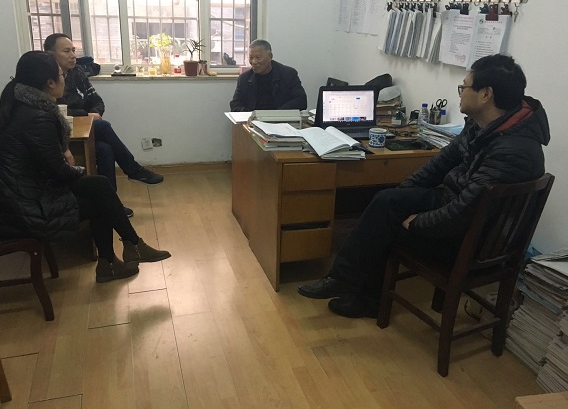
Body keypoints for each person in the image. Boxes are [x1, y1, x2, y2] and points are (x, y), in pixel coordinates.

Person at [298, 54, 550, 318]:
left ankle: (361, 294)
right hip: (456, 207)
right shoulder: (484, 126)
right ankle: (347, 281)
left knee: (385, 223)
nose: (460, 94)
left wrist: (417, 222)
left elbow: (465, 214)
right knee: (386, 201)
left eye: (464, 87)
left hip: (473, 241)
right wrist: (402, 193)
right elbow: (439, 164)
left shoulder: (512, 150)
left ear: (486, 94)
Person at [0, 51, 171, 283]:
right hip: (23, 208)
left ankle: (122, 254)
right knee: (99, 193)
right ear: (50, 83)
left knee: (99, 186)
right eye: (61, 75)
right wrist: (78, 168)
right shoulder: (38, 117)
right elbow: (60, 172)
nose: (65, 78)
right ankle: (125, 251)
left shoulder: (19, 106)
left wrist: (69, 162)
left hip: (16, 198)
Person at [44, 33, 164, 218]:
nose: (73, 55)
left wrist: (95, 112)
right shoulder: (47, 78)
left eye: (74, 50)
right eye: (67, 51)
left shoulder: (77, 72)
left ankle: (111, 204)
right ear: (51, 54)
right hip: (60, 132)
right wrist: (86, 115)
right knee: (103, 127)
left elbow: (97, 100)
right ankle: (133, 170)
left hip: (84, 127)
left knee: (105, 149)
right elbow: (57, 110)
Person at [229, 39, 307, 112]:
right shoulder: (244, 78)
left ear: (270, 56)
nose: (254, 62)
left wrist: (277, 114)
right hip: (253, 120)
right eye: (251, 58)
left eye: (258, 57)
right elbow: (235, 105)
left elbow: (301, 101)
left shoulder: (288, 74)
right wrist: (252, 114)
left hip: (281, 119)